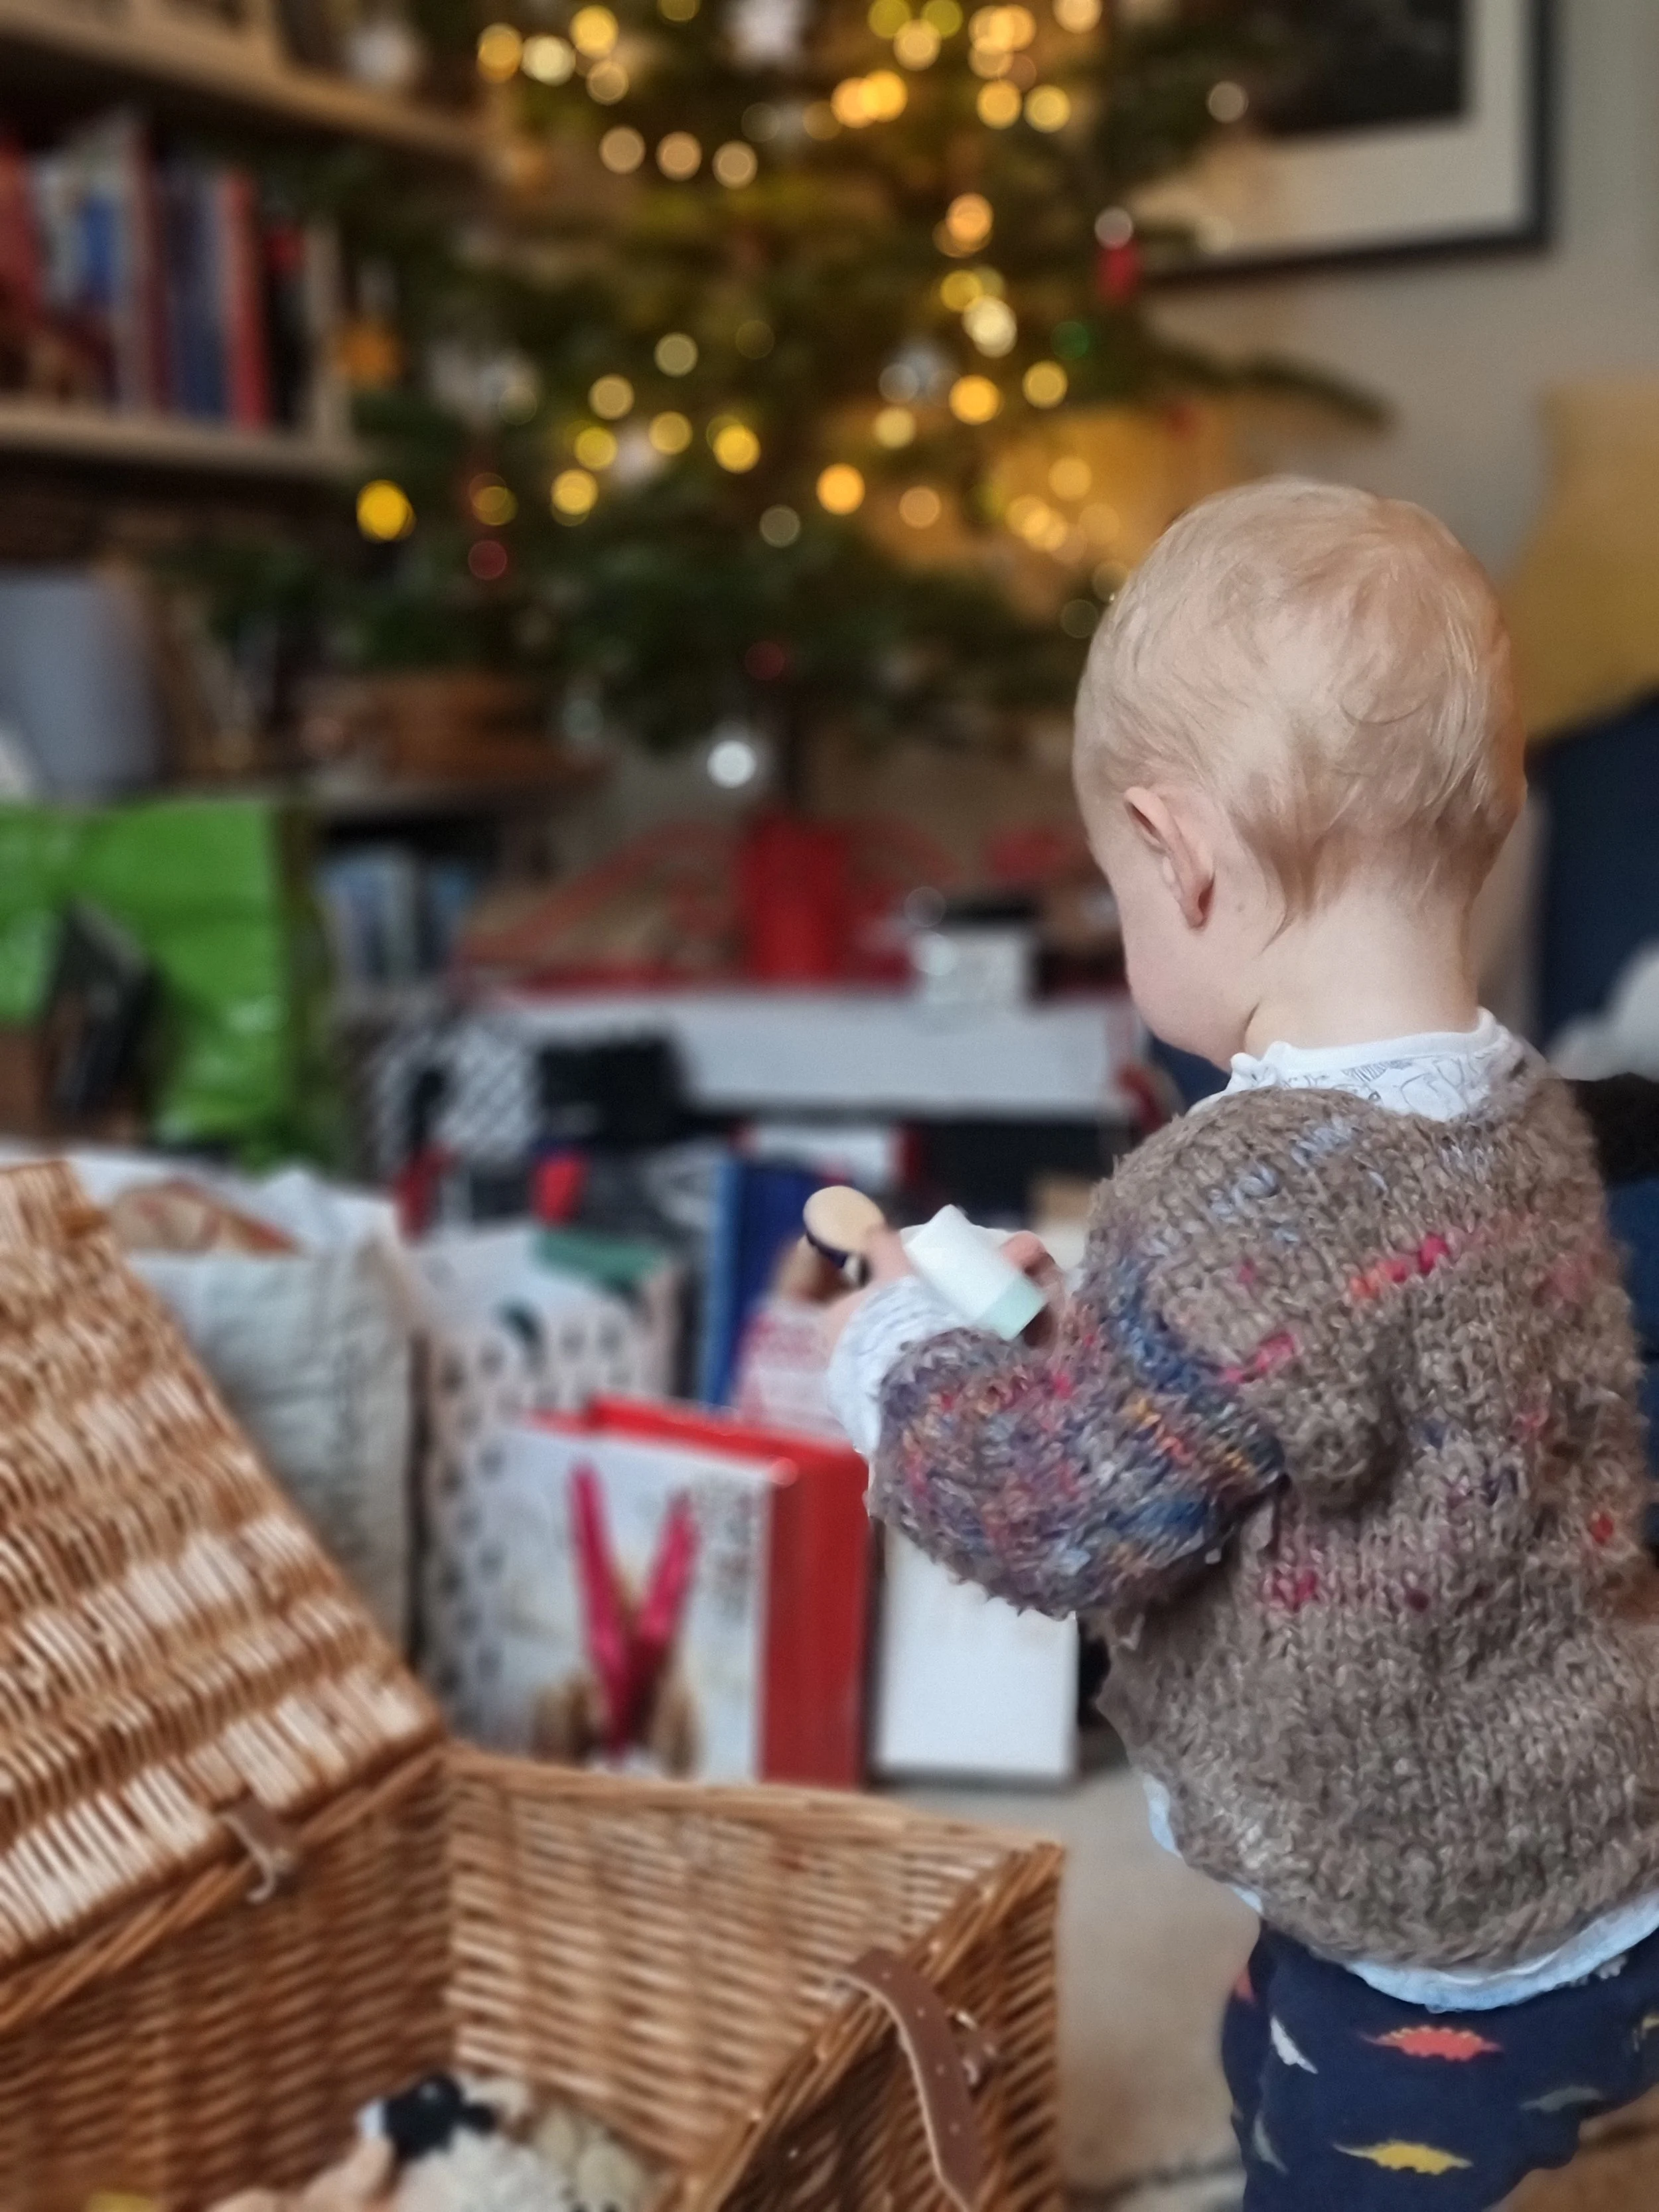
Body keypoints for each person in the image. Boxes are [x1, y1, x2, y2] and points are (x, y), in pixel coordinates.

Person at [824, 479, 1659, 2210]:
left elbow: (1053, 1507)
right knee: (1259, 2034)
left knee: (1326, 2160)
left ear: (1180, 856)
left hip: (1435, 1932)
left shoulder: (1240, 1206)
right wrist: (1089, 1314)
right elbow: (1345, 1355)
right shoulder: (1524, 1115)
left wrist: (898, 1353)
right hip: (1608, 1818)